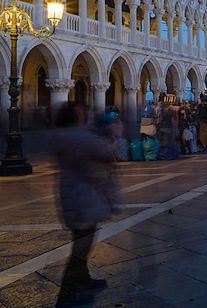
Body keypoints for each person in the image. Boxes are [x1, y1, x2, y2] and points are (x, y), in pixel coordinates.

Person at [51, 104, 120, 306]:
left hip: (72, 195)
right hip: (83, 197)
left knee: (81, 240)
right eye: (81, 113)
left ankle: (83, 279)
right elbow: (106, 152)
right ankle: (69, 289)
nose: (86, 115)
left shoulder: (62, 135)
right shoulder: (79, 136)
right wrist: (112, 132)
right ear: (74, 117)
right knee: (82, 245)